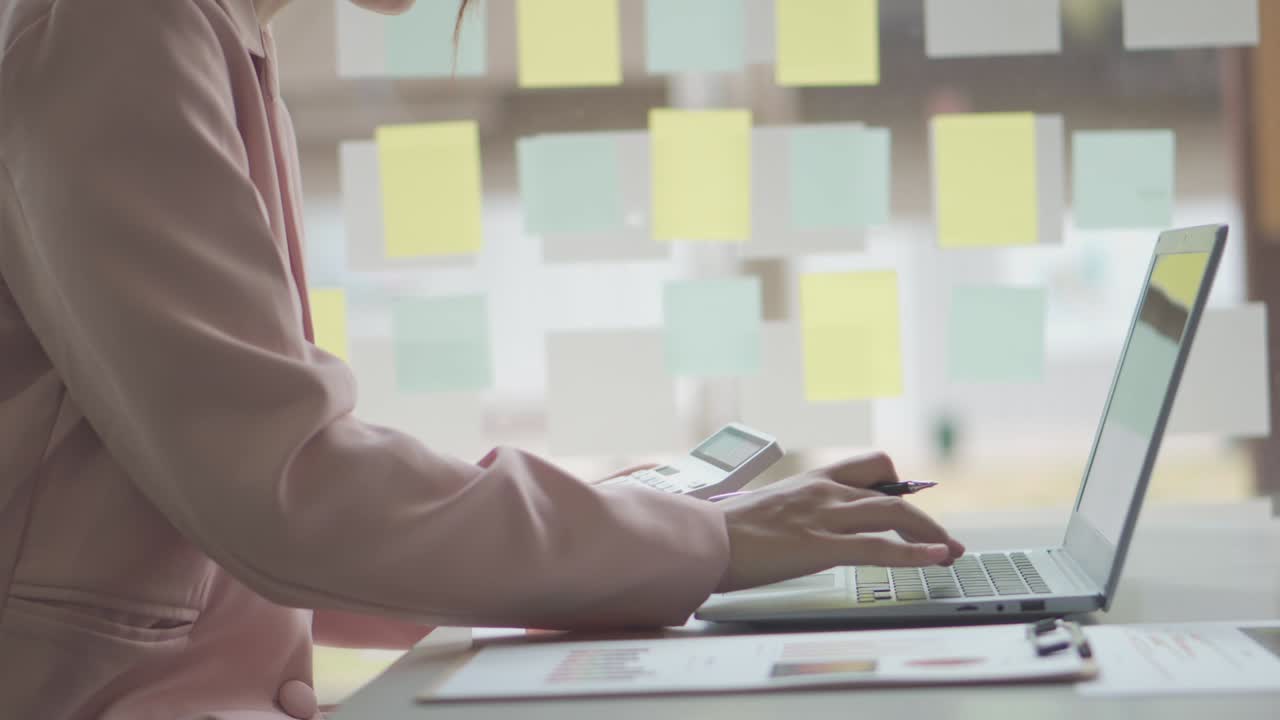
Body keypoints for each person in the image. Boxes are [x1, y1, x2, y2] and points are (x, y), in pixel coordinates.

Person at [0, 0, 965, 717]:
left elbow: (259, 506)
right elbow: (290, 498)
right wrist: (697, 545)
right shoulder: (114, 28)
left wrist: (634, 528)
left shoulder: (204, 36)